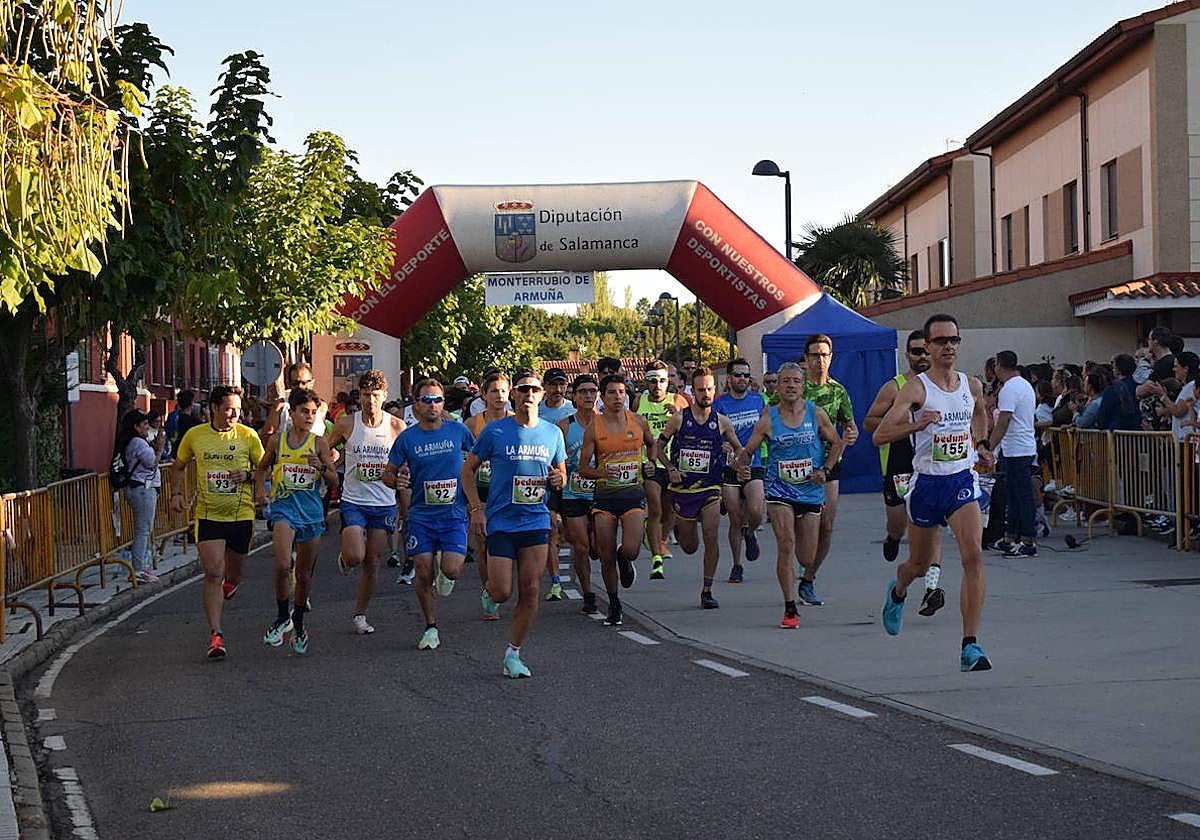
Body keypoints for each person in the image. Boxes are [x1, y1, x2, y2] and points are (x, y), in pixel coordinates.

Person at [873, 313, 997, 673]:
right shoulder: (916, 389)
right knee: (918, 565)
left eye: (953, 340)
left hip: (961, 480)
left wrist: (982, 444)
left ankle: (970, 645)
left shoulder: (971, 384)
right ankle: (898, 590)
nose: (948, 346)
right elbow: (879, 435)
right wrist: (917, 425)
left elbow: (979, 413)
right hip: (926, 484)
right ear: (927, 346)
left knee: (973, 556)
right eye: (941, 340)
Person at [462, 371, 566, 678]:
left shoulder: (552, 433)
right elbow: (467, 471)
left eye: (534, 389)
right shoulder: (495, 431)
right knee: (501, 592)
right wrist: (476, 509)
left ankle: (514, 653)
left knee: (531, 589)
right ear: (515, 395)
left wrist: (559, 479)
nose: (529, 394)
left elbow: (561, 474)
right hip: (501, 521)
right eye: (523, 389)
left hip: (535, 520)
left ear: (541, 394)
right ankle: (489, 592)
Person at [740, 362, 843, 628]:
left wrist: (825, 470)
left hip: (809, 490)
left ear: (803, 386)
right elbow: (748, 451)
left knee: (806, 557)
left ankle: (804, 579)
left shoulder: (816, 414)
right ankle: (790, 608)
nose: (791, 386)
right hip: (779, 490)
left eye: (796, 381)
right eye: (785, 381)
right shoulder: (768, 418)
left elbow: (836, 443)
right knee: (786, 544)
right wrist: (741, 467)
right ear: (778, 386)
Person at [170, 385, 265, 659]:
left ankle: (230, 586)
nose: (234, 415)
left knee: (233, 574)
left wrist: (249, 477)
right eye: (228, 409)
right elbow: (178, 465)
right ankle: (216, 634)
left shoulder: (248, 435)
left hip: (241, 515)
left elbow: (264, 468)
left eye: (238, 410)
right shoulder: (195, 435)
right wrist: (176, 493)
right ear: (213, 408)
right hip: (208, 515)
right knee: (213, 572)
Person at [384, 378, 475, 651]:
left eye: (437, 400)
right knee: (423, 570)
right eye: (426, 400)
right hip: (421, 516)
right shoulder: (407, 438)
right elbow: (388, 473)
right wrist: (397, 481)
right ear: (416, 405)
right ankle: (430, 626)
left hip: (453, 514)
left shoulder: (458, 431)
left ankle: (445, 574)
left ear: (443, 403)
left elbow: (478, 459)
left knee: (452, 569)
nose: (432, 405)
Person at [863, 330, 947, 615]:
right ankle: (892, 537)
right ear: (907, 355)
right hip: (899, 465)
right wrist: (906, 421)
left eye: (925, 350)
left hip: (933, 467)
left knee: (933, 527)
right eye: (916, 352)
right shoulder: (894, 387)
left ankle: (932, 589)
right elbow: (869, 423)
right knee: (899, 525)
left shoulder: (945, 385)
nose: (922, 356)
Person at [253, 389, 338, 654]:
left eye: (313, 413)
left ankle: (298, 621)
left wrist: (320, 468)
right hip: (284, 509)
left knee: (303, 575)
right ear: (292, 413)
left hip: (311, 514)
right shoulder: (278, 442)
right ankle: (282, 616)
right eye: (304, 412)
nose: (309, 417)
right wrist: (260, 491)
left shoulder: (319, 443)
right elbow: (261, 467)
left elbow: (334, 480)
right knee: (281, 565)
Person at [655, 367, 745, 609]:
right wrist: (670, 468)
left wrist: (737, 463)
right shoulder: (679, 419)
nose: (706, 394)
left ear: (715, 390)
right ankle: (681, 528)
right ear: (692, 391)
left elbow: (740, 449)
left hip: (710, 488)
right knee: (689, 547)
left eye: (709, 389)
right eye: (701, 390)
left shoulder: (722, 422)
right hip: (683, 490)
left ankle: (707, 590)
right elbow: (657, 448)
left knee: (711, 536)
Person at [327, 369, 405, 635]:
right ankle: (346, 557)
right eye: (365, 394)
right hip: (354, 500)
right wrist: (332, 459)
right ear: (359, 396)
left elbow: (406, 460)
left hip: (383, 502)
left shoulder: (396, 427)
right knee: (355, 556)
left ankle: (360, 615)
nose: (370, 400)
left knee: (372, 562)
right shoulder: (346, 423)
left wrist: (404, 477)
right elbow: (327, 449)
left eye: (375, 395)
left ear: (384, 396)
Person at [579, 374, 657, 626]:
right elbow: (583, 469)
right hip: (605, 498)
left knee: (632, 549)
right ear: (602, 397)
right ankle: (614, 603)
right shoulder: (594, 427)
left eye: (621, 392)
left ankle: (625, 559)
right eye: (612, 392)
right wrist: (602, 473)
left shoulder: (638, 421)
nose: (617, 397)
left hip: (633, 495)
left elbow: (652, 444)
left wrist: (650, 462)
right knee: (606, 555)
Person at [799, 334, 859, 606]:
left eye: (824, 355)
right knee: (800, 526)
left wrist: (851, 435)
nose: (820, 360)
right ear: (806, 358)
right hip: (797, 465)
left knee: (826, 526)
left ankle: (808, 579)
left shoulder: (838, 391)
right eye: (815, 355)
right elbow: (771, 418)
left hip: (829, 464)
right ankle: (800, 560)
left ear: (831, 358)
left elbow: (850, 425)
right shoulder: (795, 387)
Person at [713, 357, 767, 583]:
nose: (742, 379)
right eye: (738, 375)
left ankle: (750, 531)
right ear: (729, 379)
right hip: (729, 466)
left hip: (754, 463)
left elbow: (767, 428)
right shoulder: (720, 404)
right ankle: (737, 565)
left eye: (746, 375)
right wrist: (721, 445)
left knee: (756, 511)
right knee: (735, 518)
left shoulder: (758, 400)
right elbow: (712, 433)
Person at [634, 359, 689, 579]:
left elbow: (691, 430)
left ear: (669, 381)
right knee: (655, 507)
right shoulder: (639, 401)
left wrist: (677, 414)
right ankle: (657, 558)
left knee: (670, 510)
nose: (657, 385)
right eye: (652, 380)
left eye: (662, 380)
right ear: (645, 381)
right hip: (649, 463)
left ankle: (661, 538)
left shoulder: (678, 400)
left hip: (672, 463)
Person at [465, 372, 514, 616]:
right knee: (484, 543)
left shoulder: (516, 421)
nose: (499, 395)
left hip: (508, 493)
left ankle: (502, 583)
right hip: (482, 491)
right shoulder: (472, 424)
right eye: (494, 391)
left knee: (508, 543)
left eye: (503, 390)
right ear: (484, 395)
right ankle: (489, 589)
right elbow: (464, 464)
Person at [985, 351, 1039, 558]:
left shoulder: (1009, 388)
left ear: (999, 365)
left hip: (1017, 449)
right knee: (1014, 496)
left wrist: (989, 446)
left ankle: (1028, 541)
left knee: (1022, 496)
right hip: (1020, 447)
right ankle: (1010, 537)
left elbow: (1003, 421)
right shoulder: (1024, 385)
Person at [558, 374, 600, 615]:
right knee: (581, 547)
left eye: (592, 391)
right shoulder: (564, 426)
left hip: (601, 493)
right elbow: (555, 461)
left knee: (600, 547)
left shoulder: (605, 423)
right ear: (573, 396)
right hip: (573, 493)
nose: (588, 395)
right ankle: (588, 594)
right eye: (583, 391)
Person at [539, 367, 575, 601]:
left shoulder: (574, 409)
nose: (558, 389)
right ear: (545, 387)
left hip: (573, 479)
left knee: (575, 536)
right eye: (553, 384)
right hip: (546, 479)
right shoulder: (537, 411)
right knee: (550, 530)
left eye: (561, 384)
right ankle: (555, 582)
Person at [117, 409, 165, 583]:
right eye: (144, 424)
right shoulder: (138, 442)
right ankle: (138, 570)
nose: (147, 427)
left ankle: (141, 567)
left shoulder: (137, 442)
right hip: (142, 490)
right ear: (136, 427)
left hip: (142, 489)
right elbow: (152, 463)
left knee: (144, 529)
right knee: (143, 531)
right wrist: (159, 449)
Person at [1097, 354, 1142, 431]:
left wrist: (1101, 425)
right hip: (1137, 432)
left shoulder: (1111, 389)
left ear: (1118, 370)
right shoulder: (1139, 387)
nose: (1112, 370)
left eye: (1114, 368)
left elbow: (1103, 414)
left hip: (1116, 431)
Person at [166, 389, 200, 456]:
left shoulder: (173, 416)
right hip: (189, 454)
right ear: (191, 403)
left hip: (175, 451)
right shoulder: (195, 421)